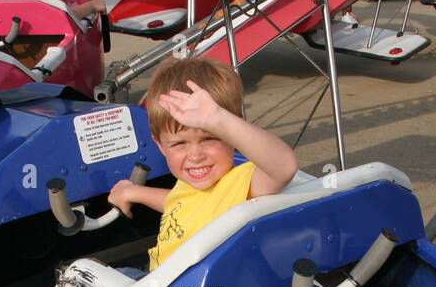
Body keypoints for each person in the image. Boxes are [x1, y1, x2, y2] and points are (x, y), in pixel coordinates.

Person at [107, 57, 298, 271]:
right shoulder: (191, 181)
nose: (195, 156)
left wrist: (218, 118)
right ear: (160, 145)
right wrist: (134, 192)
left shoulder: (242, 182)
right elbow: (181, 205)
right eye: (180, 143)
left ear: (231, 134)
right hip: (158, 281)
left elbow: (284, 167)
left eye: (210, 138)